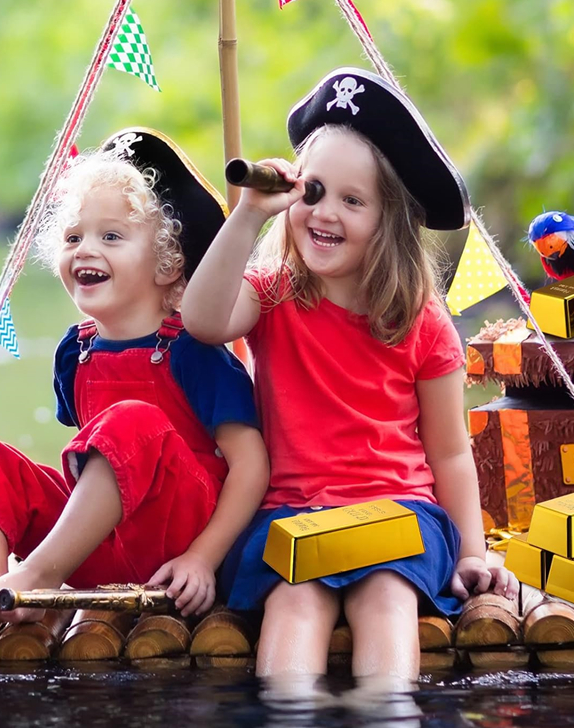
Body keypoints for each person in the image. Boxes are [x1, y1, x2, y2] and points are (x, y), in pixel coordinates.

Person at [181, 68, 518, 682]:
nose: (324, 213)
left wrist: (473, 549)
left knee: (387, 595)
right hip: (291, 514)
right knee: (294, 600)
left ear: (389, 220)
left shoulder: (420, 320)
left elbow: (449, 453)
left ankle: (385, 725)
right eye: (313, 192)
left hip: (398, 509)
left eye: (352, 200)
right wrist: (248, 216)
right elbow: (202, 321)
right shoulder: (273, 291)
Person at [0, 128, 269, 624]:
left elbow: (251, 467)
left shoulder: (194, 351)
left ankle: (36, 575)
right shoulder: (78, 351)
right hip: (106, 544)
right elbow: (94, 472)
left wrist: (204, 557)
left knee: (130, 422)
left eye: (110, 236)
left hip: (176, 541)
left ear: (167, 263)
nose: (85, 250)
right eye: (74, 237)